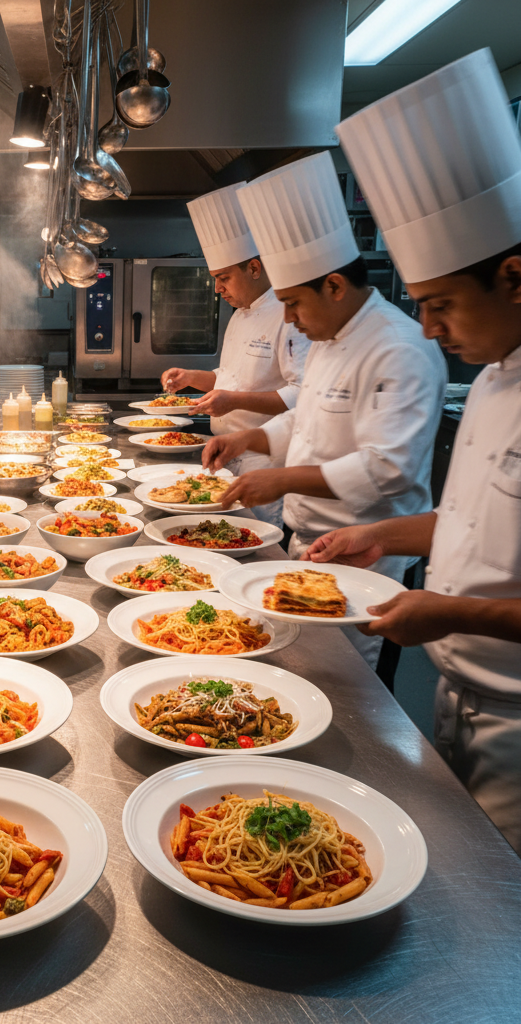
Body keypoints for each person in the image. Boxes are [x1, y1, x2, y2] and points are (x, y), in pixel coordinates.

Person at [304, 49, 521, 853]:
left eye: (440, 305)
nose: (429, 329)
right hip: (456, 693)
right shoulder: (499, 380)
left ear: (516, 276)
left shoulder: (421, 356)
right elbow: (464, 522)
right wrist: (383, 535)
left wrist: (451, 610)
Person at [202, 152, 447, 670]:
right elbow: (304, 417)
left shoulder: (398, 347)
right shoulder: (332, 337)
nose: (287, 317)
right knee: (301, 673)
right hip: (311, 545)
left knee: (353, 691)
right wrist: (248, 440)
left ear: (334, 285)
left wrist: (282, 479)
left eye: (293, 302)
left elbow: (388, 468)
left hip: (368, 560)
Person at [160, 182, 310, 527]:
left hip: (262, 460)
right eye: (215, 278)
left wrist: (234, 400)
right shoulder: (240, 312)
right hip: (224, 450)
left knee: (252, 540)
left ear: (254, 269)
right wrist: (192, 378)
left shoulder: (288, 315)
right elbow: (231, 378)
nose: (217, 289)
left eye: (223, 277)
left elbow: (301, 395)